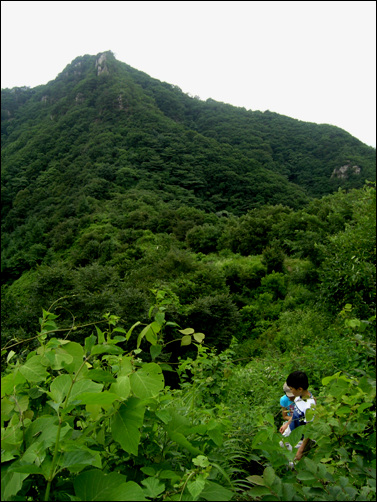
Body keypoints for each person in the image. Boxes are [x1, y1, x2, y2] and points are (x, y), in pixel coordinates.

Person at [279, 371, 316, 461]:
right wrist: (287, 424)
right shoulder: (298, 397)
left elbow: (309, 429)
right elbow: (295, 413)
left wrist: (301, 450)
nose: (290, 392)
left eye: (291, 389)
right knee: (281, 446)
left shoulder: (309, 406)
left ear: (299, 389)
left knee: (294, 460)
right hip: (292, 430)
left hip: (300, 439)